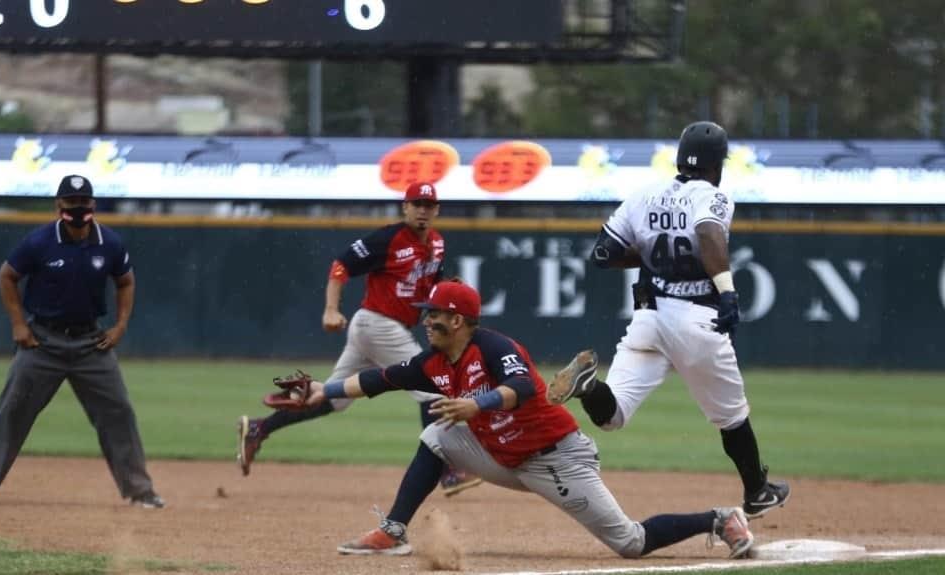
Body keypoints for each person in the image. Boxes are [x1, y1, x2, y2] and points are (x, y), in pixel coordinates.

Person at [294, 280, 755, 559]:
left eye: (433, 315)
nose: (425, 321)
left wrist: (478, 405)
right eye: (426, 314)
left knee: (630, 543)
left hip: (556, 459)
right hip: (502, 455)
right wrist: (321, 389)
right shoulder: (430, 362)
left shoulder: (495, 348)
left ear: (458, 320)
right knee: (437, 434)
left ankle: (719, 519)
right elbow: (376, 380)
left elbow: (525, 388)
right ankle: (393, 531)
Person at [548, 120, 790, 518]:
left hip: (650, 317)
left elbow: (604, 253)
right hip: (697, 320)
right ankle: (757, 492)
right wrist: (728, 291)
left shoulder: (644, 195)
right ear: (718, 164)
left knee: (611, 415)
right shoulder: (712, 195)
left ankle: (589, 387)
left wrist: (648, 258)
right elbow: (709, 234)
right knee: (732, 417)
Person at [236, 182, 481, 496]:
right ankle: (447, 470)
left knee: (333, 399)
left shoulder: (437, 243)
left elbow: (431, 286)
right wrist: (330, 309)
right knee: (430, 385)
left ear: (437, 210)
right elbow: (341, 266)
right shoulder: (387, 239)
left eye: (428, 205)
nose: (422, 210)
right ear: (405, 207)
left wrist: (448, 292)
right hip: (377, 323)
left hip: (382, 329)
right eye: (416, 204)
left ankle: (259, 428)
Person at [0, 175, 164, 509]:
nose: (78, 208)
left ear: (93, 204)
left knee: (118, 412)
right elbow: (7, 275)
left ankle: (140, 490)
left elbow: (126, 281)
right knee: (13, 410)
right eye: (72, 202)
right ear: (59, 205)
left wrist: (120, 326)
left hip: (91, 343)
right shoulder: (40, 241)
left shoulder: (109, 242)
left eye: (84, 202)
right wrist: (18, 323)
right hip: (43, 342)